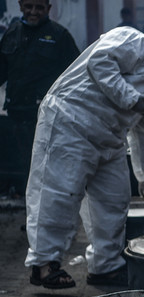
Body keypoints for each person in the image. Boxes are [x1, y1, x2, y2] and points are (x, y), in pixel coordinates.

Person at [25, 27, 144, 289]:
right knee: (59, 193)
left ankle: (105, 266)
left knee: (114, 200)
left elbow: (143, 134)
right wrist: (131, 98)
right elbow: (100, 62)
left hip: (109, 138)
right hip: (71, 120)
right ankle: (43, 265)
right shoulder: (134, 42)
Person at [0, 0, 79, 196]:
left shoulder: (60, 37)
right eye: (28, 7)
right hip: (16, 114)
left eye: (39, 7)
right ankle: (21, 207)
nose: (33, 12)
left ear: (48, 9)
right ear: (20, 6)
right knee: (19, 165)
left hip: (46, 118)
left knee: (45, 167)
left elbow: (76, 78)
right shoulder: (11, 34)